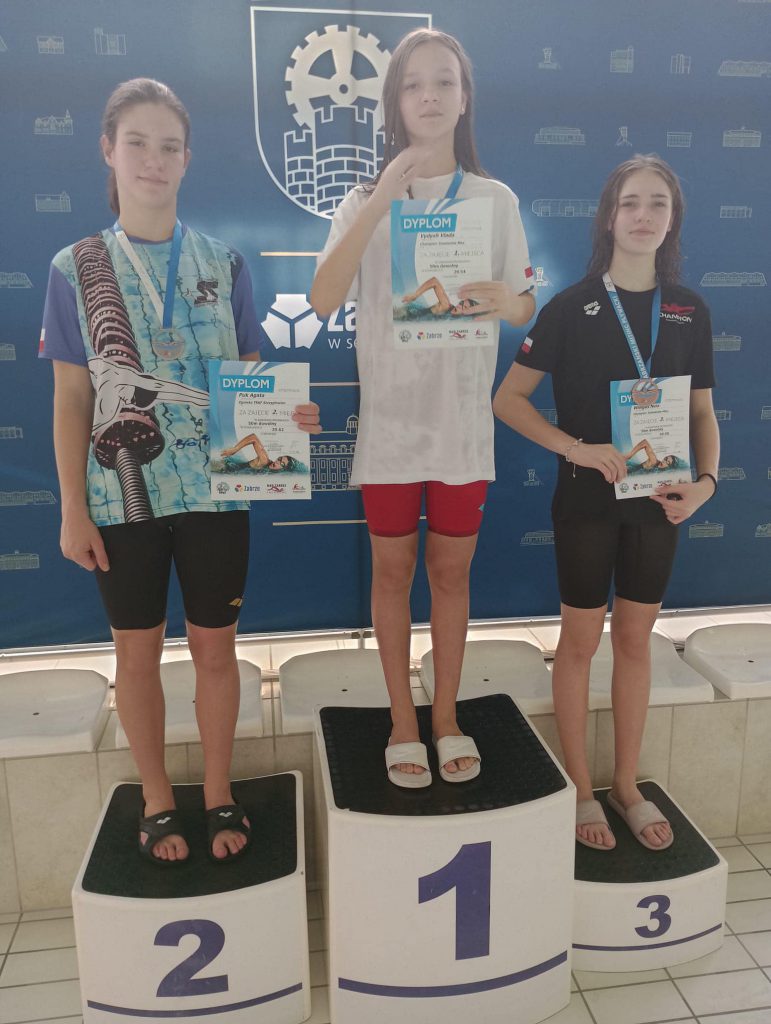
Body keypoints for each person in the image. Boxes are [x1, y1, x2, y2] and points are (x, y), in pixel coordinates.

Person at [40, 78, 320, 864]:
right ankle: (158, 797)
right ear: (108, 150)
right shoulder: (75, 267)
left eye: (169, 146)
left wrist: (286, 416)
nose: (153, 160)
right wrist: (71, 508)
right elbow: (71, 396)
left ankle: (220, 788)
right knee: (134, 654)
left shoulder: (222, 264)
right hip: (119, 497)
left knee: (215, 649)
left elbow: (249, 372)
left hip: (216, 494)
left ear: (187, 159)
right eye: (137, 143)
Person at [311, 29, 535, 788]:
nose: (430, 96)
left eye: (444, 82)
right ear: (394, 103)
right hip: (391, 429)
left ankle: (443, 717)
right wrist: (380, 200)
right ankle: (401, 721)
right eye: (413, 85)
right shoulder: (361, 202)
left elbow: (523, 304)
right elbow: (322, 297)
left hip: (461, 427)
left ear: (464, 98)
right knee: (390, 572)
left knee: (450, 574)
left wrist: (509, 301)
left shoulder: (494, 200)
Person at [493, 155, 719, 850]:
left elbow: (702, 413)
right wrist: (575, 449)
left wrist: (705, 484)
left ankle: (625, 786)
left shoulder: (688, 309)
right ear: (609, 217)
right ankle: (581, 790)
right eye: (630, 203)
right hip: (587, 502)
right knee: (579, 643)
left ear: (672, 219)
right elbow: (508, 400)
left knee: (634, 642)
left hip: (659, 504)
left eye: (657, 204)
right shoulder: (570, 306)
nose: (643, 215)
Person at [220, 433, 302, 473]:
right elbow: (253, 438)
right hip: (226, 469)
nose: (277, 462)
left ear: (284, 469)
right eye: (279, 459)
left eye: (282, 464)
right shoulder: (264, 461)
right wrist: (235, 449)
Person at [400, 276, 479, 316]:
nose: (459, 306)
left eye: (464, 307)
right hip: (408, 315)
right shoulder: (446, 305)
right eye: (461, 303)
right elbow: (434, 281)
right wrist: (415, 295)